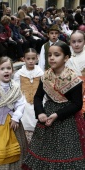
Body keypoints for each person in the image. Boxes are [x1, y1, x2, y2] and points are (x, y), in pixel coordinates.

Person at [22, 41, 85, 170]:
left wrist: (57, 114)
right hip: (47, 117)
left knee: (66, 152)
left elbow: (77, 104)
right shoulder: (46, 76)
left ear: (66, 58)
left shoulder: (73, 79)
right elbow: (38, 97)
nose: (51, 57)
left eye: (57, 55)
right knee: (44, 150)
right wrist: (40, 112)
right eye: (49, 55)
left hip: (67, 119)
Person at [14, 48, 44, 144]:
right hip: (24, 102)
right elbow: (16, 89)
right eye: (28, 58)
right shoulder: (19, 74)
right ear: (24, 59)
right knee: (25, 124)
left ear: (37, 59)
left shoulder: (41, 73)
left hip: (39, 102)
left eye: (33, 58)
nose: (31, 61)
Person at [66, 30, 85, 115]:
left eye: (80, 41)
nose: (76, 44)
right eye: (73, 42)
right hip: (71, 90)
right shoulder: (66, 55)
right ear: (70, 42)